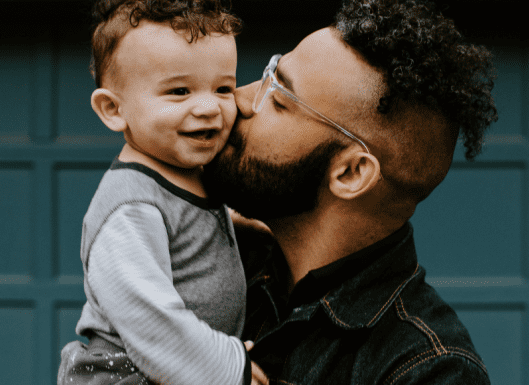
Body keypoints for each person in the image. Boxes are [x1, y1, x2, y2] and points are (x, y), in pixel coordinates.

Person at [59, 0, 497, 383]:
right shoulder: (221, 255)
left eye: (280, 98)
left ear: (350, 173)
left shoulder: (423, 368)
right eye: (268, 73)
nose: (239, 100)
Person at [57, 1, 264, 384]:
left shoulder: (189, 174)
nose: (207, 107)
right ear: (113, 109)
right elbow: (149, 318)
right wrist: (227, 367)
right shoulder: (131, 206)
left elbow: (187, 229)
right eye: (179, 91)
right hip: (130, 372)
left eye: (223, 88)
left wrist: (244, 227)